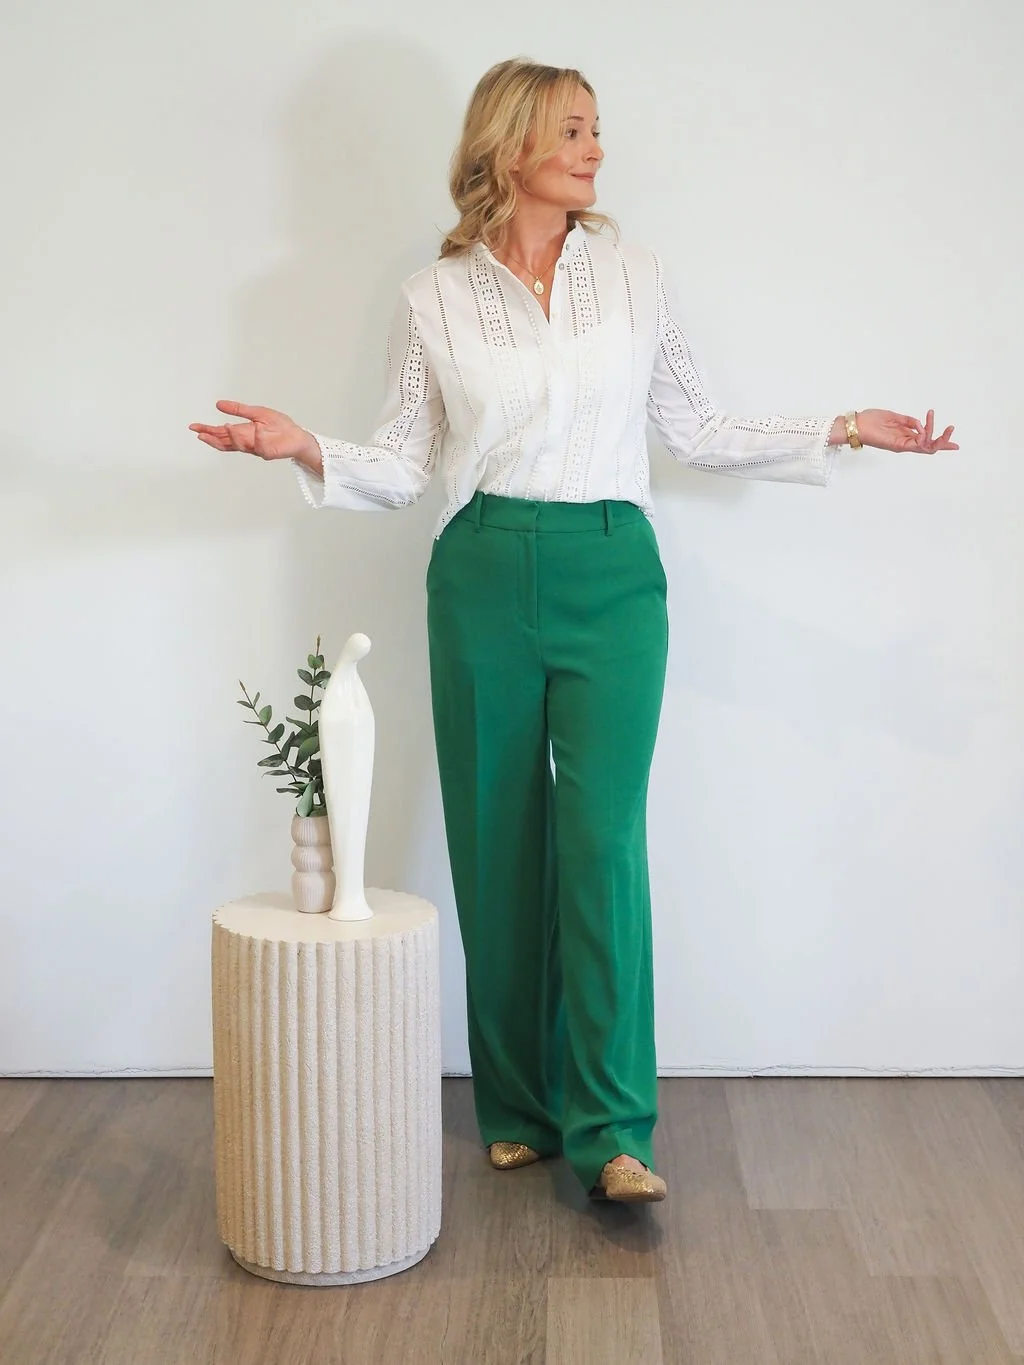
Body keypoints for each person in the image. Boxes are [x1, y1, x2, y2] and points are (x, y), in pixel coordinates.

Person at [190, 58, 957, 1206]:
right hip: (483, 569)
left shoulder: (638, 277)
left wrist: (840, 426)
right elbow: (402, 461)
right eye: (571, 129)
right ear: (508, 146)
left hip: (612, 569)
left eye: (597, 129)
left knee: (599, 848)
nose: (595, 148)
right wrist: (306, 447)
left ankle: (611, 1130)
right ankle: (514, 1106)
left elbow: (693, 427)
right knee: (497, 845)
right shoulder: (432, 298)